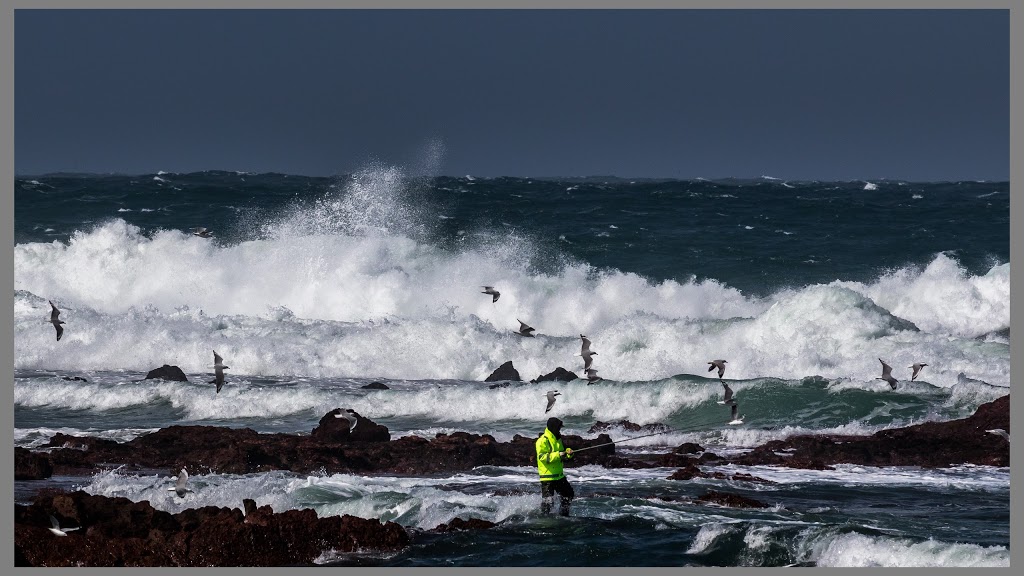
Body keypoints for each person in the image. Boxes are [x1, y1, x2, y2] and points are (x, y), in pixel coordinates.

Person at [535, 417, 574, 516]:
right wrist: (558, 455)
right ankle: (544, 520)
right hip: (547, 477)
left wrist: (569, 453)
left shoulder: (558, 438)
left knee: (568, 494)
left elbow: (563, 452)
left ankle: (564, 515)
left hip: (559, 476)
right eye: (558, 427)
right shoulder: (542, 441)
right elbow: (542, 457)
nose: (560, 429)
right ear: (553, 427)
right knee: (548, 503)